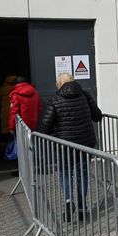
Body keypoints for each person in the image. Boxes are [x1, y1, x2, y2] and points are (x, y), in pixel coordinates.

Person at [38, 73, 102, 222]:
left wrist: (51, 134)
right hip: (85, 144)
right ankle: (81, 206)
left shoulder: (55, 99)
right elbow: (97, 116)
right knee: (82, 173)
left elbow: (46, 124)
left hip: (64, 145)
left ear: (59, 84)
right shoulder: (85, 95)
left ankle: (68, 201)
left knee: (65, 173)